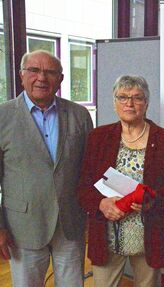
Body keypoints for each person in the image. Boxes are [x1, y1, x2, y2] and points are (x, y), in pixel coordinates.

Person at [77, 75, 164, 287]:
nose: (129, 103)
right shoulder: (98, 138)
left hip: (149, 237)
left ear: (146, 103)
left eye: (137, 98)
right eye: (123, 97)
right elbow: (83, 186)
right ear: (114, 101)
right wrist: (100, 203)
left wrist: (151, 199)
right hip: (106, 236)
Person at [0, 50, 93, 286]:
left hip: (70, 225)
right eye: (34, 70)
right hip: (22, 228)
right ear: (22, 75)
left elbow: (89, 171)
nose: (42, 77)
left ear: (60, 79)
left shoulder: (79, 115)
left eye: (50, 72)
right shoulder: (3, 117)